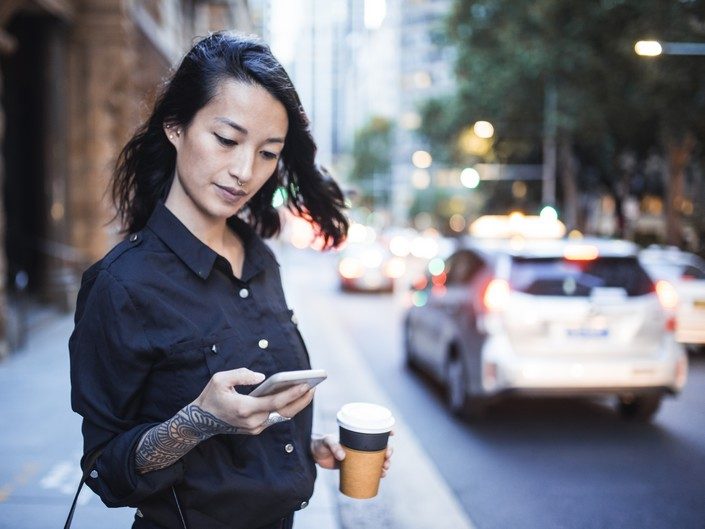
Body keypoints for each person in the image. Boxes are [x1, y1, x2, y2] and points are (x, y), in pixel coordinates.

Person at [69, 32, 392, 529]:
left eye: (268, 153)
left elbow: (246, 433)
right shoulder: (121, 285)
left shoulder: (261, 258)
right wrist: (196, 421)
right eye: (227, 139)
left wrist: (307, 449)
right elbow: (104, 469)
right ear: (175, 127)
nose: (245, 171)